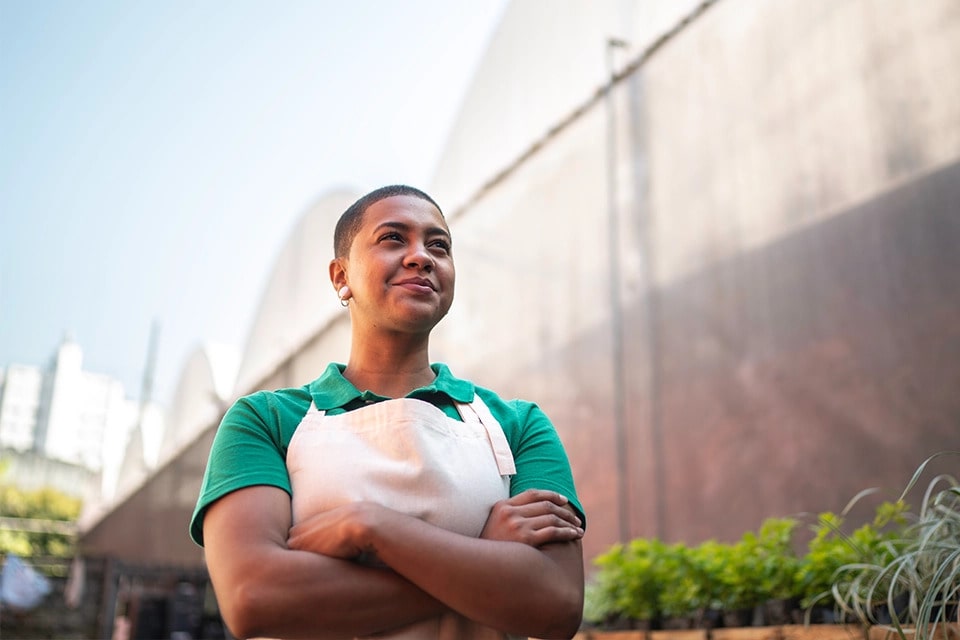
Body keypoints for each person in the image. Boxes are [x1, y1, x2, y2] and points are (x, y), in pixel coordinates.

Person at [190, 185, 586, 639]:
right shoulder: (263, 421)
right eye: (393, 238)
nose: (421, 256)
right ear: (341, 277)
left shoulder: (519, 425)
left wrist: (371, 526)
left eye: (439, 245)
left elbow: (556, 602)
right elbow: (254, 599)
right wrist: (484, 555)